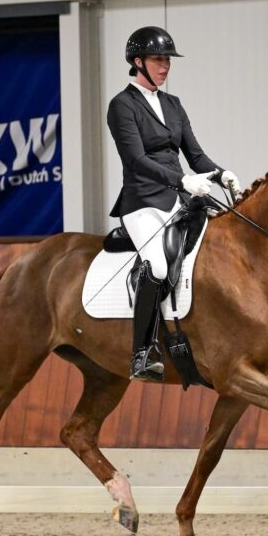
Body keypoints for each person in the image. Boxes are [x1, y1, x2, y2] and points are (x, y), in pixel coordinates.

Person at [107, 25, 241, 382]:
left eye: (167, 60)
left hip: (181, 197)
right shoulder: (122, 106)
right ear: (138, 62)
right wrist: (182, 180)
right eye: (157, 59)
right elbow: (136, 160)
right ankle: (142, 352)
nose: (165, 66)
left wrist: (222, 174)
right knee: (157, 265)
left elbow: (195, 156)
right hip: (143, 201)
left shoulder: (173, 104)